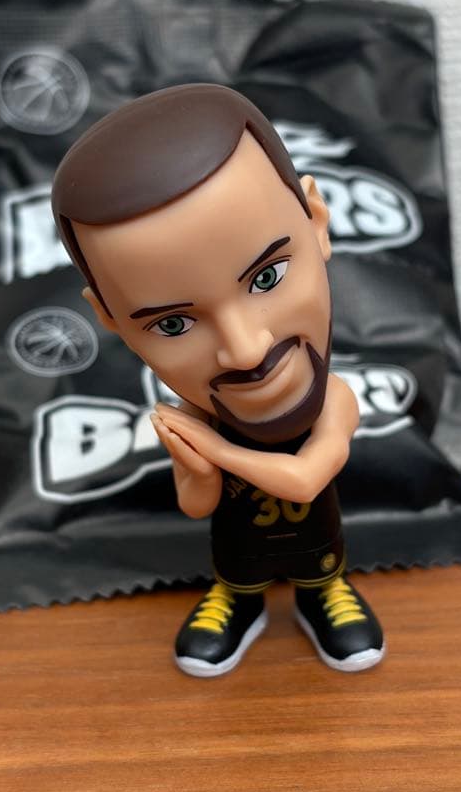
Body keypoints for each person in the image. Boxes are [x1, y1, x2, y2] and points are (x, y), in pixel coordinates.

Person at [52, 83, 384, 677]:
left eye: (266, 278)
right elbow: (196, 503)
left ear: (316, 220)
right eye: (173, 323)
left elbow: (307, 480)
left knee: (321, 570)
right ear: (109, 319)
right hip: (238, 553)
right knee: (237, 570)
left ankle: (324, 594)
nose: (245, 350)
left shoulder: (332, 400)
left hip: (318, 546)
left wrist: (216, 449)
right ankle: (237, 599)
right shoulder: (198, 420)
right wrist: (197, 467)